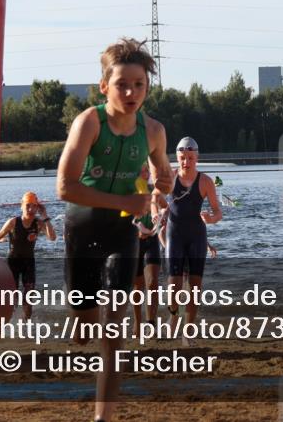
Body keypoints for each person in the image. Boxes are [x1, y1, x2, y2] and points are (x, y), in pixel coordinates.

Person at [57, 37, 173, 422]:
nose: (130, 93)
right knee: (85, 329)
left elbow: (163, 175)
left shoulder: (153, 130)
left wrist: (162, 186)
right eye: (122, 84)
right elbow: (64, 187)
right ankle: (79, 323)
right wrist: (127, 201)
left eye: (139, 85)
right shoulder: (89, 122)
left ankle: (102, 417)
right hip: (82, 230)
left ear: (147, 88)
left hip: (123, 234)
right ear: (104, 86)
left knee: (113, 331)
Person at [161, 136, 223, 346]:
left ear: (197, 158)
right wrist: (157, 213)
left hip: (197, 236)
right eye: (182, 158)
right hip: (174, 235)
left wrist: (211, 219)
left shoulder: (205, 181)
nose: (186, 162)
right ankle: (173, 315)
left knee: (195, 287)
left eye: (190, 158)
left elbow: (218, 211)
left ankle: (188, 332)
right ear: (177, 158)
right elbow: (155, 198)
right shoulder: (170, 177)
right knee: (174, 286)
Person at [0, 191, 56, 319]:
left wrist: (45, 216)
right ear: (21, 206)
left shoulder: (38, 223)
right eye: (28, 205)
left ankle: (26, 324)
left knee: (29, 296)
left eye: (34, 206)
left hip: (29, 263)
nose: (31, 209)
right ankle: (8, 322)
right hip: (13, 262)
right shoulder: (13, 222)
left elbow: (52, 238)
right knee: (11, 296)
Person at [132, 164, 166, 329]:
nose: (145, 174)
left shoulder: (154, 190)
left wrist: (162, 216)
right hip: (134, 242)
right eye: (141, 171)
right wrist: (137, 229)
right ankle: (137, 322)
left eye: (147, 171)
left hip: (152, 240)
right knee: (137, 286)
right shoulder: (128, 192)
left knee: (152, 282)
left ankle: (150, 323)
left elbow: (166, 206)